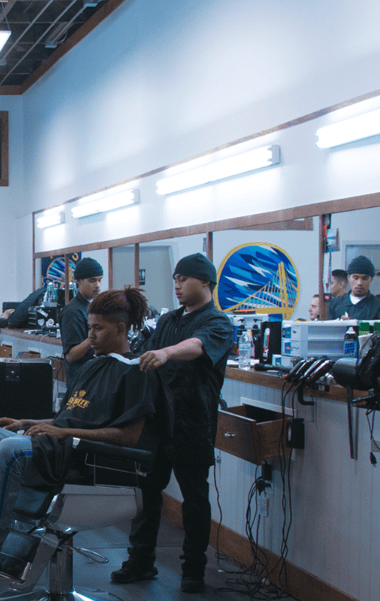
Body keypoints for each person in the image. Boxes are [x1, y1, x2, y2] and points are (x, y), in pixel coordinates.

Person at [0, 288, 166, 575]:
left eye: (98, 328)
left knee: (9, 450)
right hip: (53, 443)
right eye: (88, 327)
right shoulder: (92, 367)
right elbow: (67, 418)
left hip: (80, 458)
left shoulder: (136, 370)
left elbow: (129, 437)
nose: (90, 335)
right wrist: (24, 423)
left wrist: (66, 436)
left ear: (121, 329)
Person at [115, 253, 233, 594]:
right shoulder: (169, 321)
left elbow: (196, 347)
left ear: (205, 281)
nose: (177, 285)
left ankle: (193, 569)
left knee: (194, 499)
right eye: (175, 279)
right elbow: (144, 354)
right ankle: (141, 561)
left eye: (183, 279)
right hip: (158, 420)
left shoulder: (218, 323)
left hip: (192, 422)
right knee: (146, 493)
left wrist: (167, 353)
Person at [61, 258, 104, 380]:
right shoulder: (72, 311)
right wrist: (95, 335)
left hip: (94, 374)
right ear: (78, 281)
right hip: (81, 378)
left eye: (100, 280)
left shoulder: (92, 307)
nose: (98, 285)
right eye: (92, 281)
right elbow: (71, 356)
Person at [327, 256, 380, 321]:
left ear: (371, 279)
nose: (359, 283)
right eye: (355, 278)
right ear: (349, 277)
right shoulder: (335, 304)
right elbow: (326, 329)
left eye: (365, 278)